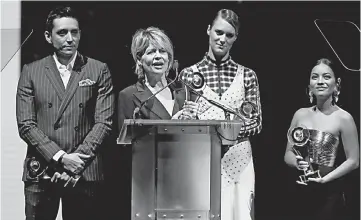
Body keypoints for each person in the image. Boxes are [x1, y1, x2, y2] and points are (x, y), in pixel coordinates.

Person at [16, 6, 114, 220]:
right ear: (48, 36)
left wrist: (76, 162)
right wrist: (61, 158)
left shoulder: (98, 69)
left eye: (74, 32)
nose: (69, 38)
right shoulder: (31, 71)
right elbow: (26, 125)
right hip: (43, 168)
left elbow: (103, 122)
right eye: (62, 33)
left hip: (83, 169)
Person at [179, 9, 262, 220]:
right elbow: (184, 120)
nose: (222, 39)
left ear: (236, 38)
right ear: (208, 30)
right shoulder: (189, 74)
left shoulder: (247, 75)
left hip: (239, 160)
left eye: (229, 35)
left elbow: (257, 122)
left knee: (239, 213)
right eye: (218, 32)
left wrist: (227, 133)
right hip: (202, 158)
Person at [284, 58, 359, 220]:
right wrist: (297, 163)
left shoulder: (344, 118)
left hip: (330, 196)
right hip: (300, 192)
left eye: (326, 77)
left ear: (336, 83)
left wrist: (325, 180)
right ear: (309, 84)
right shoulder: (300, 114)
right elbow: (288, 153)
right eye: (314, 77)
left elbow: (353, 160)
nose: (320, 81)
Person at [117, 26, 186, 129]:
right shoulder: (128, 95)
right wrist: (171, 127)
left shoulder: (183, 90)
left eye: (162, 51)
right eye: (151, 52)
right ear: (139, 59)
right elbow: (127, 141)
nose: (158, 56)